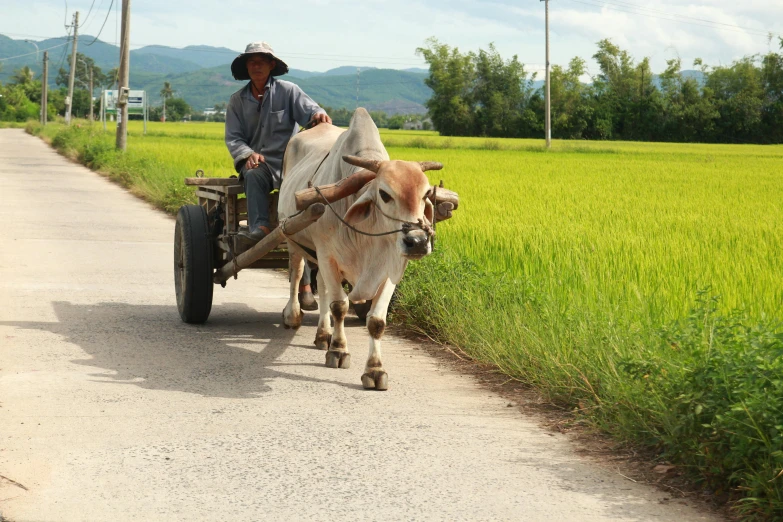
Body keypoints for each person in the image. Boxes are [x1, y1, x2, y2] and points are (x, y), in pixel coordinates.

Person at [225, 41, 331, 310]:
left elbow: (312, 111)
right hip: (257, 163)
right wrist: (247, 153)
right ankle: (258, 229)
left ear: (272, 65)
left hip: (292, 165)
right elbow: (234, 137)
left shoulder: (288, 91)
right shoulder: (237, 100)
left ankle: (306, 285)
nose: (256, 65)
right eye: (252, 61)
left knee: (299, 221)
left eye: (262, 60)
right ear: (246, 67)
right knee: (253, 174)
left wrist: (318, 114)